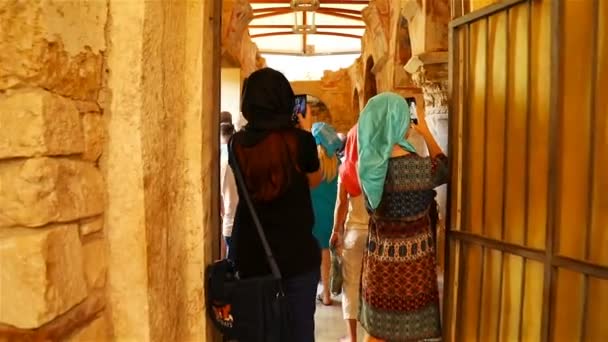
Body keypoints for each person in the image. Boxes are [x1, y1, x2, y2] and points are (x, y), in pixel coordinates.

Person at [229, 67, 323, 342]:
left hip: (254, 254)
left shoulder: (238, 143)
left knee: (258, 330)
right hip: (297, 254)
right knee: (300, 330)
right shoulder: (301, 141)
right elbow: (314, 179)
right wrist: (305, 131)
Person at [357, 92, 448, 341]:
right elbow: (445, 167)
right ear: (401, 122)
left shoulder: (369, 168)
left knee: (377, 335)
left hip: (380, 266)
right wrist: (426, 131)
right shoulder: (420, 168)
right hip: (414, 268)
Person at [329, 124, 370, 342]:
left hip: (353, 235)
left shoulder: (345, 169)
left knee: (351, 286)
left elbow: (340, 205)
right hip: (377, 237)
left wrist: (336, 231)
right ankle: (372, 336)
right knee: (375, 288)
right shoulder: (378, 167)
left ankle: (352, 338)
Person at [310, 122, 342, 306]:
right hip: (331, 214)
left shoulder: (312, 163)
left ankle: (312, 289)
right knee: (326, 254)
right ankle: (327, 293)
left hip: (312, 214)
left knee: (312, 255)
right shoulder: (336, 163)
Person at [220, 121, 238, 258]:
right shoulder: (242, 155)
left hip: (230, 223)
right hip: (247, 222)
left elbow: (220, 200)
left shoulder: (221, 160)